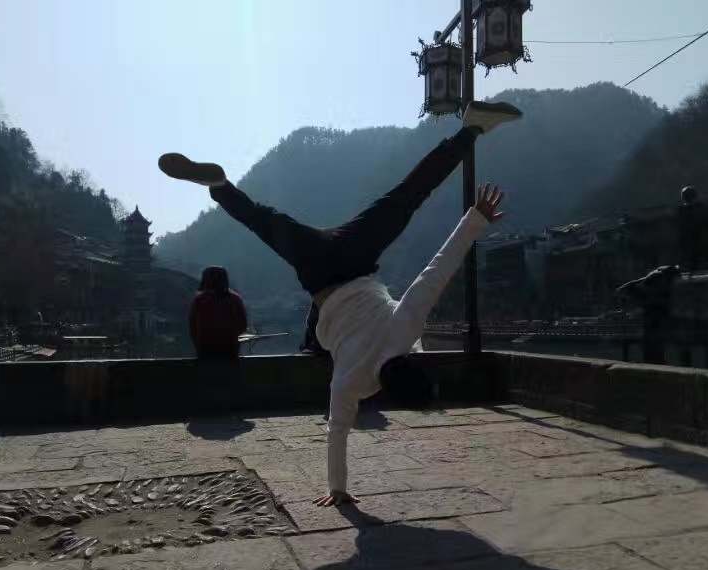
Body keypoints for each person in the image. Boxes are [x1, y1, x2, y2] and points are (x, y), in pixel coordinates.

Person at [159, 100, 521, 504]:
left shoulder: (406, 333)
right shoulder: (354, 380)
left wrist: (475, 220)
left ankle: (471, 129)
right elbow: (337, 429)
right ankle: (221, 187)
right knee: (263, 221)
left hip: (356, 252)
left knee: (408, 194)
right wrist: (337, 489)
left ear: (415, 366)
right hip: (320, 273)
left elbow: (436, 271)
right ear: (387, 391)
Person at [189, 266, 248, 361]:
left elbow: (193, 327)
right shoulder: (234, 300)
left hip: (205, 348)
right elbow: (242, 325)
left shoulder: (199, 301)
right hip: (230, 347)